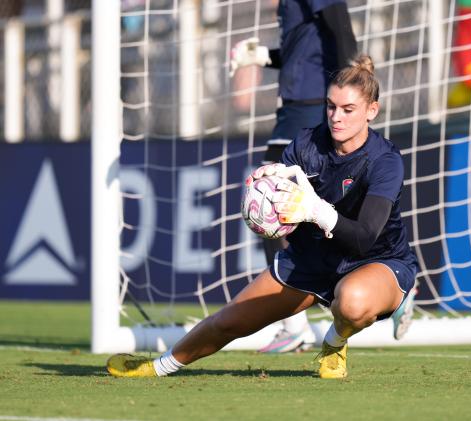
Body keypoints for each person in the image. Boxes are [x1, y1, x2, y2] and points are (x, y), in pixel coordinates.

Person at [106, 54, 420, 379]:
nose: (336, 117)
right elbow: (283, 210)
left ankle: (335, 340)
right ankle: (157, 367)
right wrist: (268, 201)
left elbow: (364, 236)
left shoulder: (385, 161)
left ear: (372, 111)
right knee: (231, 321)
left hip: (375, 259)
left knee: (352, 303)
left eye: (348, 109)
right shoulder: (305, 145)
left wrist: (316, 210)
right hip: (312, 258)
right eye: (330, 106)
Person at [229, 0, 358, 353]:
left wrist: (349, 90)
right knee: (308, 211)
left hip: (310, 108)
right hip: (298, 107)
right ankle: (386, 286)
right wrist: (263, 57)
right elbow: (306, 55)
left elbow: (341, 28)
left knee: (268, 198)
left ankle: (295, 324)